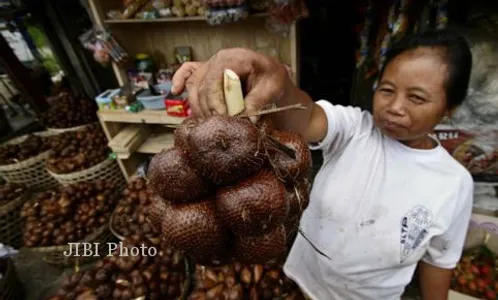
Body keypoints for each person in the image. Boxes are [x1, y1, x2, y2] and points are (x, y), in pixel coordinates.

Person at [171, 29, 474, 300]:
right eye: (387, 90)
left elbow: (440, 260)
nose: (395, 107)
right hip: (304, 281)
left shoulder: (455, 183)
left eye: (416, 98)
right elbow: (306, 116)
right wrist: (277, 79)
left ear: (449, 109)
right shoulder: (356, 128)